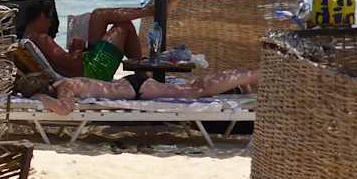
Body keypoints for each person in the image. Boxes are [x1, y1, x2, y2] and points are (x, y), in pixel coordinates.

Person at [21, 0, 182, 82]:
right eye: (49, 19)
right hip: (92, 72)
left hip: (87, 66)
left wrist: (78, 51)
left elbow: (64, 65)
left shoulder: (29, 38)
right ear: (41, 16)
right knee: (124, 26)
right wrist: (77, 49)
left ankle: (151, 10)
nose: (50, 24)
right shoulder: (42, 39)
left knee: (99, 15)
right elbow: (73, 65)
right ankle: (142, 76)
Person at [15, 68, 257, 116]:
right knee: (194, 87)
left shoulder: (64, 87)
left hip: (137, 89)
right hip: (133, 86)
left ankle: (250, 75)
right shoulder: (65, 82)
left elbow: (64, 109)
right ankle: (242, 80)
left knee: (195, 90)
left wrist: (40, 99)